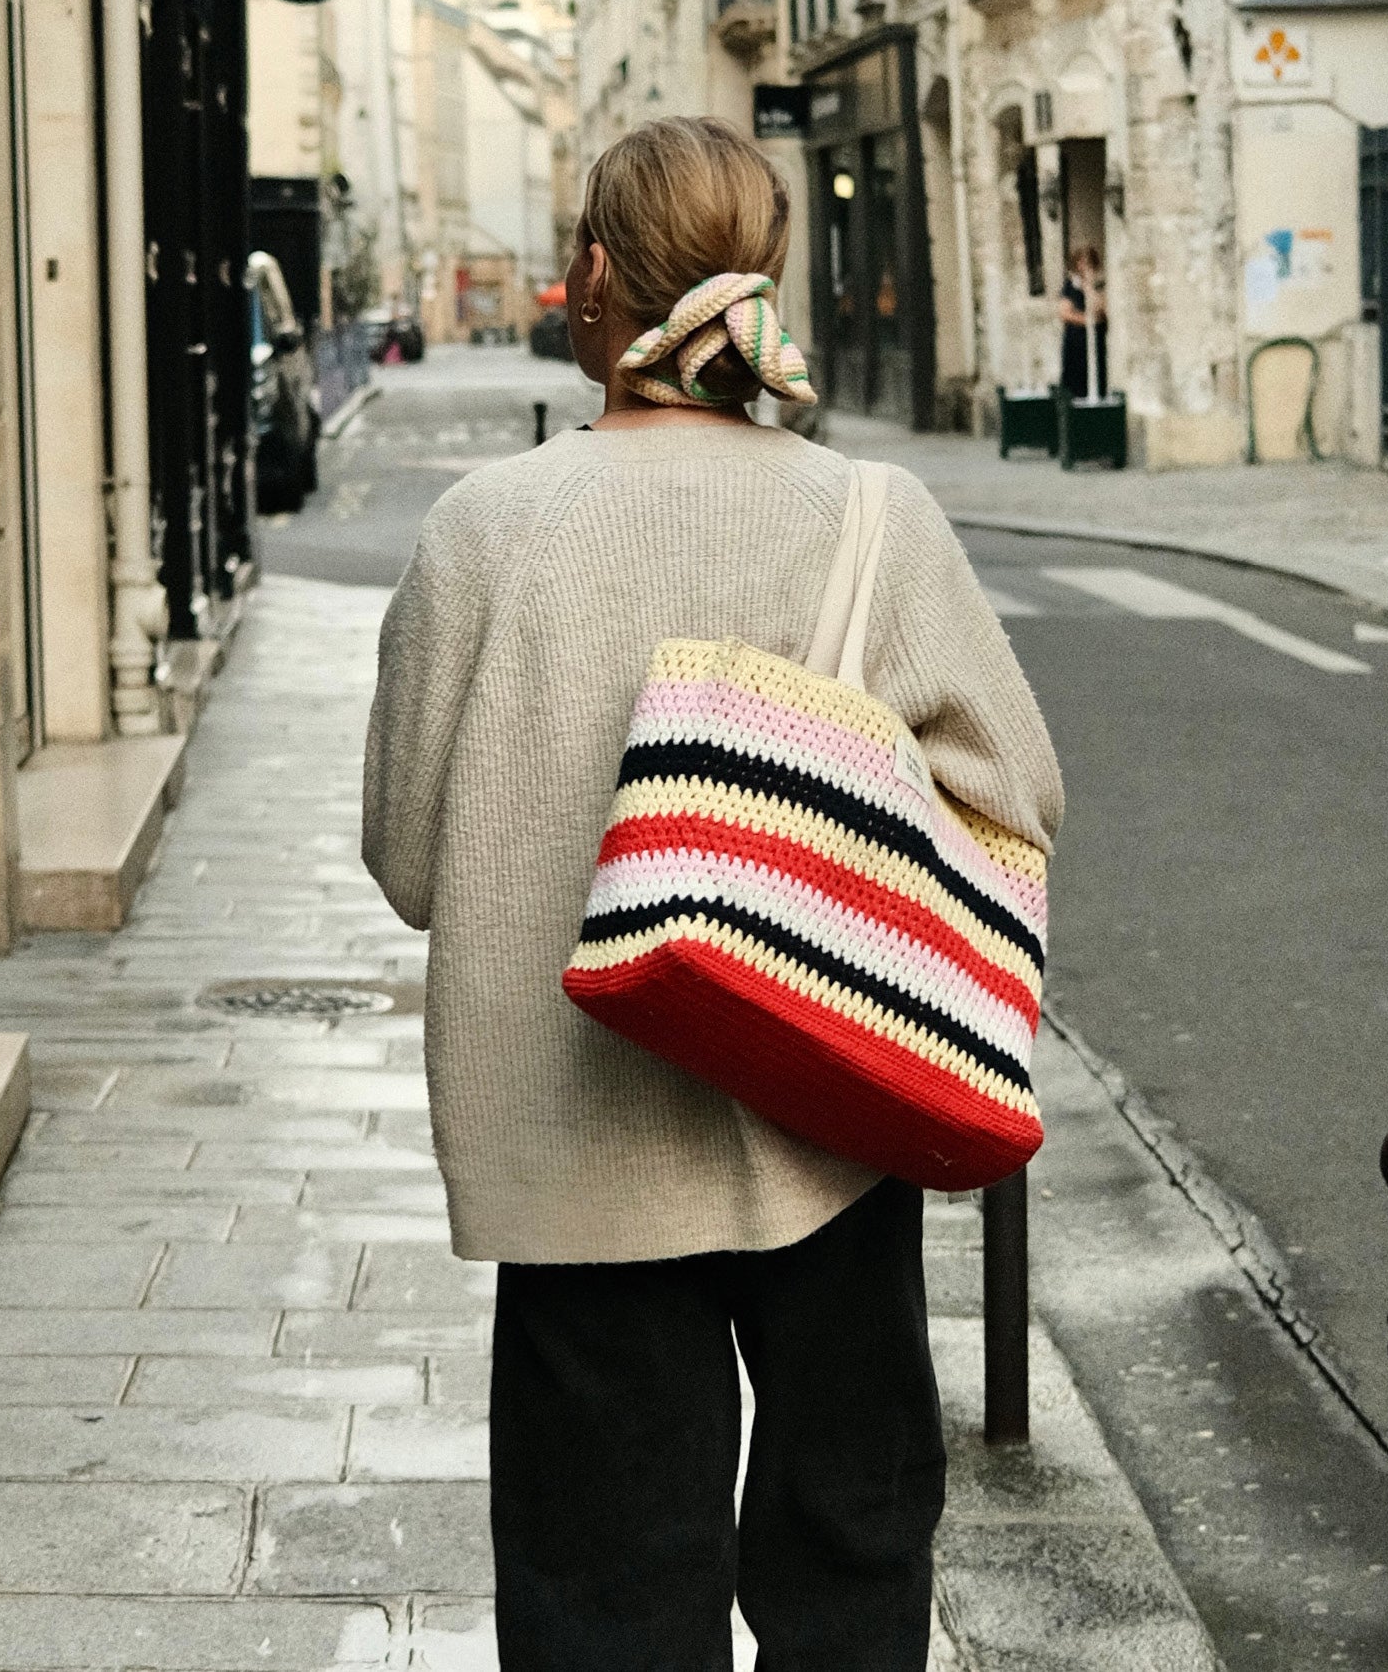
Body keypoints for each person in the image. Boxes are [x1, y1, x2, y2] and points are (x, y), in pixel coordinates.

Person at [362, 115, 1063, 1671]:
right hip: (823, 1114)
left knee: (599, 1591)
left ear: (594, 278)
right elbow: (1016, 795)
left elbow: (413, 864)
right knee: (847, 1564)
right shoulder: (873, 521)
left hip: (569, 1158)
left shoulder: (480, 528)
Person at [1058, 244, 1108, 400]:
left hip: (1095, 342)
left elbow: (1102, 310)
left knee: (1096, 378)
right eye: (1081, 263)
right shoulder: (1070, 286)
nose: (1085, 267)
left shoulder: (1098, 286)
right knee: (1075, 381)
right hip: (1076, 341)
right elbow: (1065, 313)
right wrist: (1089, 320)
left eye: (1089, 263)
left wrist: (1089, 289)